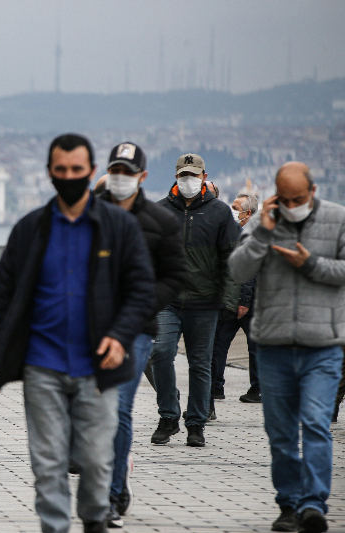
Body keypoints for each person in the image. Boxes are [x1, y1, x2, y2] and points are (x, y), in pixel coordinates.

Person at [0, 134, 155, 533]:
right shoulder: (30, 230)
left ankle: (95, 518)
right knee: (48, 460)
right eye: (61, 170)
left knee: (96, 458)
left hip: (99, 364)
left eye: (77, 170)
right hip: (42, 362)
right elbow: (5, 298)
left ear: (92, 172)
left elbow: (142, 290)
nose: (69, 177)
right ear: (49, 173)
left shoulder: (118, 227)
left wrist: (120, 335)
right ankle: (55, 527)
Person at [230, 162, 344, 533]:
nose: (293, 204)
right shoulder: (265, 222)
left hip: (321, 344)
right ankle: (288, 502)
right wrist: (262, 231)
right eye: (287, 199)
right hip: (273, 343)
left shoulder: (337, 219)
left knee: (315, 424)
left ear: (312, 191)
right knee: (280, 432)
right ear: (277, 195)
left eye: (300, 198)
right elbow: (237, 269)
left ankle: (313, 503)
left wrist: (310, 264)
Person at [97, 143, 186, 527]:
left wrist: (145, 303)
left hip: (135, 329)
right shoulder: (85, 214)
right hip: (87, 329)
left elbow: (176, 276)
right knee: (87, 411)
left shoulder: (161, 221)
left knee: (117, 410)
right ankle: (104, 471)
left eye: (127, 171)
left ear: (142, 176)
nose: (120, 177)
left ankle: (113, 495)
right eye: (115, 169)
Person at [150, 154, 241, 447]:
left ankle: (196, 423)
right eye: (183, 175)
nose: (188, 180)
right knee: (161, 353)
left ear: (204, 176)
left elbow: (232, 260)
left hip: (205, 301)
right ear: (176, 176)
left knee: (200, 364)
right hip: (168, 300)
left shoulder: (219, 213)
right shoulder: (159, 211)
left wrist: (229, 301)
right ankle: (168, 415)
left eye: (193, 175)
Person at [210, 193, 261, 406]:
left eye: (235, 206)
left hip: (249, 302)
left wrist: (244, 300)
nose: (231, 210)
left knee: (254, 346)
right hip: (231, 299)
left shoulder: (253, 235)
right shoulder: (233, 232)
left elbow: (249, 272)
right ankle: (215, 387)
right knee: (219, 344)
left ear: (247, 213)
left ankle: (257, 388)